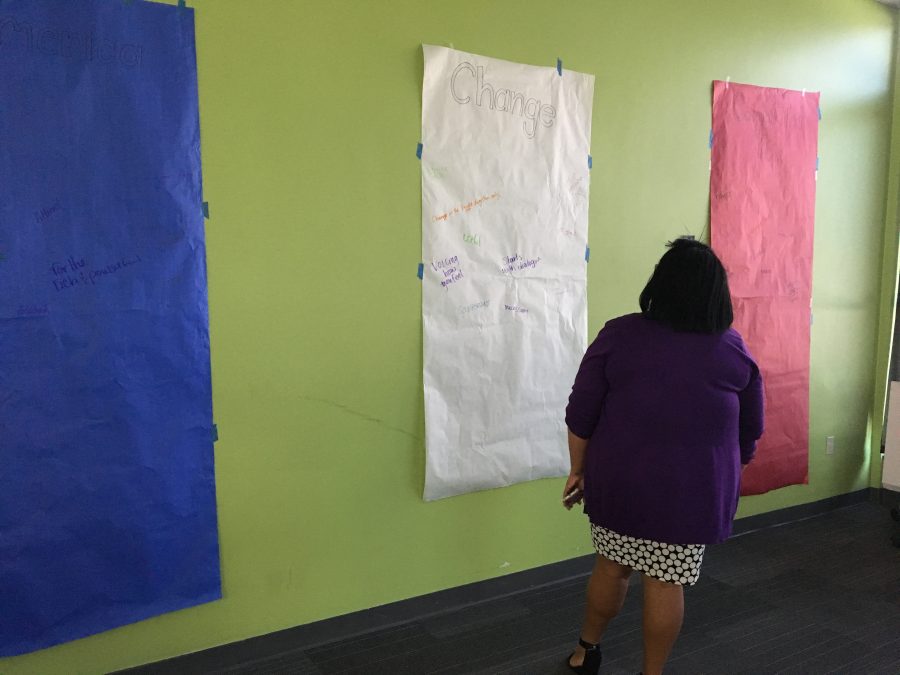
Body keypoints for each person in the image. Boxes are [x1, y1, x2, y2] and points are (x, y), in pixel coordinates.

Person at [562, 238, 764, 675]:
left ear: (660, 284)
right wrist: (725, 479)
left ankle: (585, 652)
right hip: (691, 496)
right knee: (665, 582)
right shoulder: (732, 349)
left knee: (611, 567)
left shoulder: (619, 334)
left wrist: (578, 470)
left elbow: (581, 413)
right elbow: (750, 433)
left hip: (620, 483)